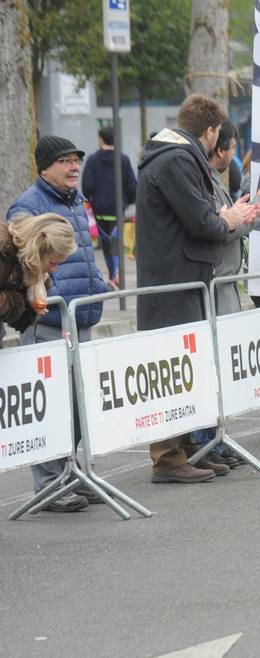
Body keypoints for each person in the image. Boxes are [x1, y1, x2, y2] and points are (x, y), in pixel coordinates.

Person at [135, 93, 260, 485]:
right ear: (209, 132)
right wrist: (231, 217)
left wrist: (221, 216)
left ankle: (186, 448)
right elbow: (202, 222)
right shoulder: (176, 160)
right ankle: (169, 457)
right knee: (172, 370)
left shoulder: (176, 157)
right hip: (174, 281)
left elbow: (202, 216)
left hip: (180, 277)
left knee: (185, 370)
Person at [8, 135, 113, 511]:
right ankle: (50, 484)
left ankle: (71, 474)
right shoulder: (28, 206)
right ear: (44, 168)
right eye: (65, 161)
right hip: (47, 322)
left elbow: (86, 251)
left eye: (76, 161)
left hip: (80, 319)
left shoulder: (77, 202)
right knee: (51, 407)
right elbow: (24, 267)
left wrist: (98, 283)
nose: (73, 168)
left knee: (78, 405)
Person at [189, 119, 260, 469]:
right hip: (212, 282)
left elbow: (231, 222)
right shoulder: (205, 180)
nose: (235, 155)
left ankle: (214, 440)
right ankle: (204, 441)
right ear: (220, 148)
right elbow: (220, 228)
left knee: (218, 369)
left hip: (223, 282)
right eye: (233, 147)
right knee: (209, 368)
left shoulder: (216, 180)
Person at [81, 125, 136, 286]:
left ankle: (113, 275)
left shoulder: (92, 160)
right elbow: (132, 185)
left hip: (99, 209)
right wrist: (129, 201)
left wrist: (92, 200)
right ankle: (116, 275)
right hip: (117, 209)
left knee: (105, 244)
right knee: (116, 243)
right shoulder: (123, 159)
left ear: (101, 139)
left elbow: (87, 185)